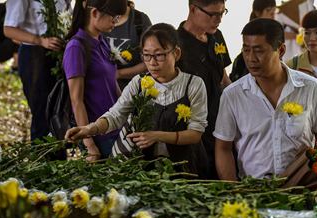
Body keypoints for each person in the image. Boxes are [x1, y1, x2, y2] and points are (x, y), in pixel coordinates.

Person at [65, 23, 209, 178]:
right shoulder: (139, 83)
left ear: (176, 53)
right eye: (146, 55)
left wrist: (157, 135)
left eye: (159, 55)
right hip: (143, 168)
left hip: (184, 167)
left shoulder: (193, 84)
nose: (152, 63)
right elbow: (115, 115)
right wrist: (89, 129)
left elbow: (195, 133)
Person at [214, 18, 317, 182]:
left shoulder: (310, 88)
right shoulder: (233, 95)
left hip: (303, 188)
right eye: (246, 50)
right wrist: (232, 189)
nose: (251, 58)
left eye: (259, 51)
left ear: (280, 50)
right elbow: (223, 148)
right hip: (253, 191)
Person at [62, 0, 127, 160]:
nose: (116, 21)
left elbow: (112, 85)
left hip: (115, 127)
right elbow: (76, 100)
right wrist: (89, 145)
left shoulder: (102, 41)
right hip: (98, 135)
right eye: (114, 16)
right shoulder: (76, 47)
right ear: (95, 13)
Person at [177, 0, 231, 179]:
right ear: (193, 9)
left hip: (220, 120)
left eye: (222, 13)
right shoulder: (176, 44)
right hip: (193, 127)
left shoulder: (217, 36)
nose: (219, 20)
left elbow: (223, 77)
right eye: (213, 14)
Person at [4, 0, 70, 141]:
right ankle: (42, 156)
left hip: (60, 52)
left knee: (59, 110)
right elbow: (8, 29)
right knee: (42, 111)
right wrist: (40, 40)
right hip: (35, 54)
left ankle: (59, 156)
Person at [104, 0, 152, 90]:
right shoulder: (98, 17)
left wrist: (118, 73)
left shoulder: (140, 20)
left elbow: (149, 62)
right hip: (100, 88)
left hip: (132, 90)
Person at [230, 0, 276, 82]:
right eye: (269, 10)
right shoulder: (243, 61)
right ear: (257, 12)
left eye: (274, 11)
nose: (273, 15)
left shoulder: (275, 32)